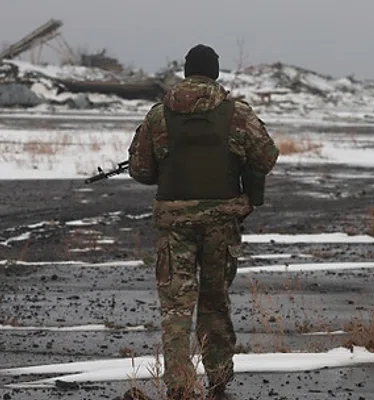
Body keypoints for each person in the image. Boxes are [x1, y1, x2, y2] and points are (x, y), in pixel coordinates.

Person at [126, 44, 279, 399]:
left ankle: (179, 384)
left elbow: (141, 170)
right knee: (214, 301)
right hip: (221, 222)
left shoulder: (158, 115)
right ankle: (219, 375)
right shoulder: (237, 113)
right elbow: (266, 156)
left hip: (174, 224)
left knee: (176, 307)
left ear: (185, 71)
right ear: (216, 72)